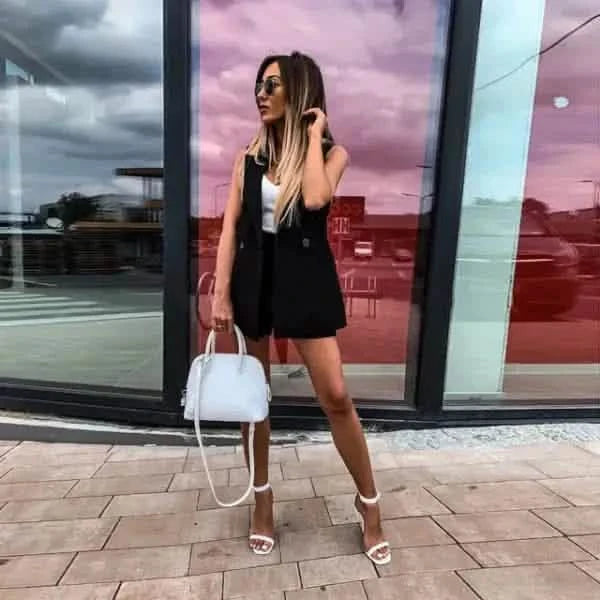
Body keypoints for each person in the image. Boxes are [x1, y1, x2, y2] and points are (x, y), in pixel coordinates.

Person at [210, 51, 391, 566]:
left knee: (335, 395)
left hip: (306, 281)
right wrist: (221, 293)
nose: (260, 94)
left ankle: (369, 503)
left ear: (300, 93)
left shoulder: (333, 153)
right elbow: (229, 231)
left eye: (272, 85)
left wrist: (312, 137)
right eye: (257, 85)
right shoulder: (246, 159)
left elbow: (313, 199)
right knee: (254, 401)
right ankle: (261, 499)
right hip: (252, 284)